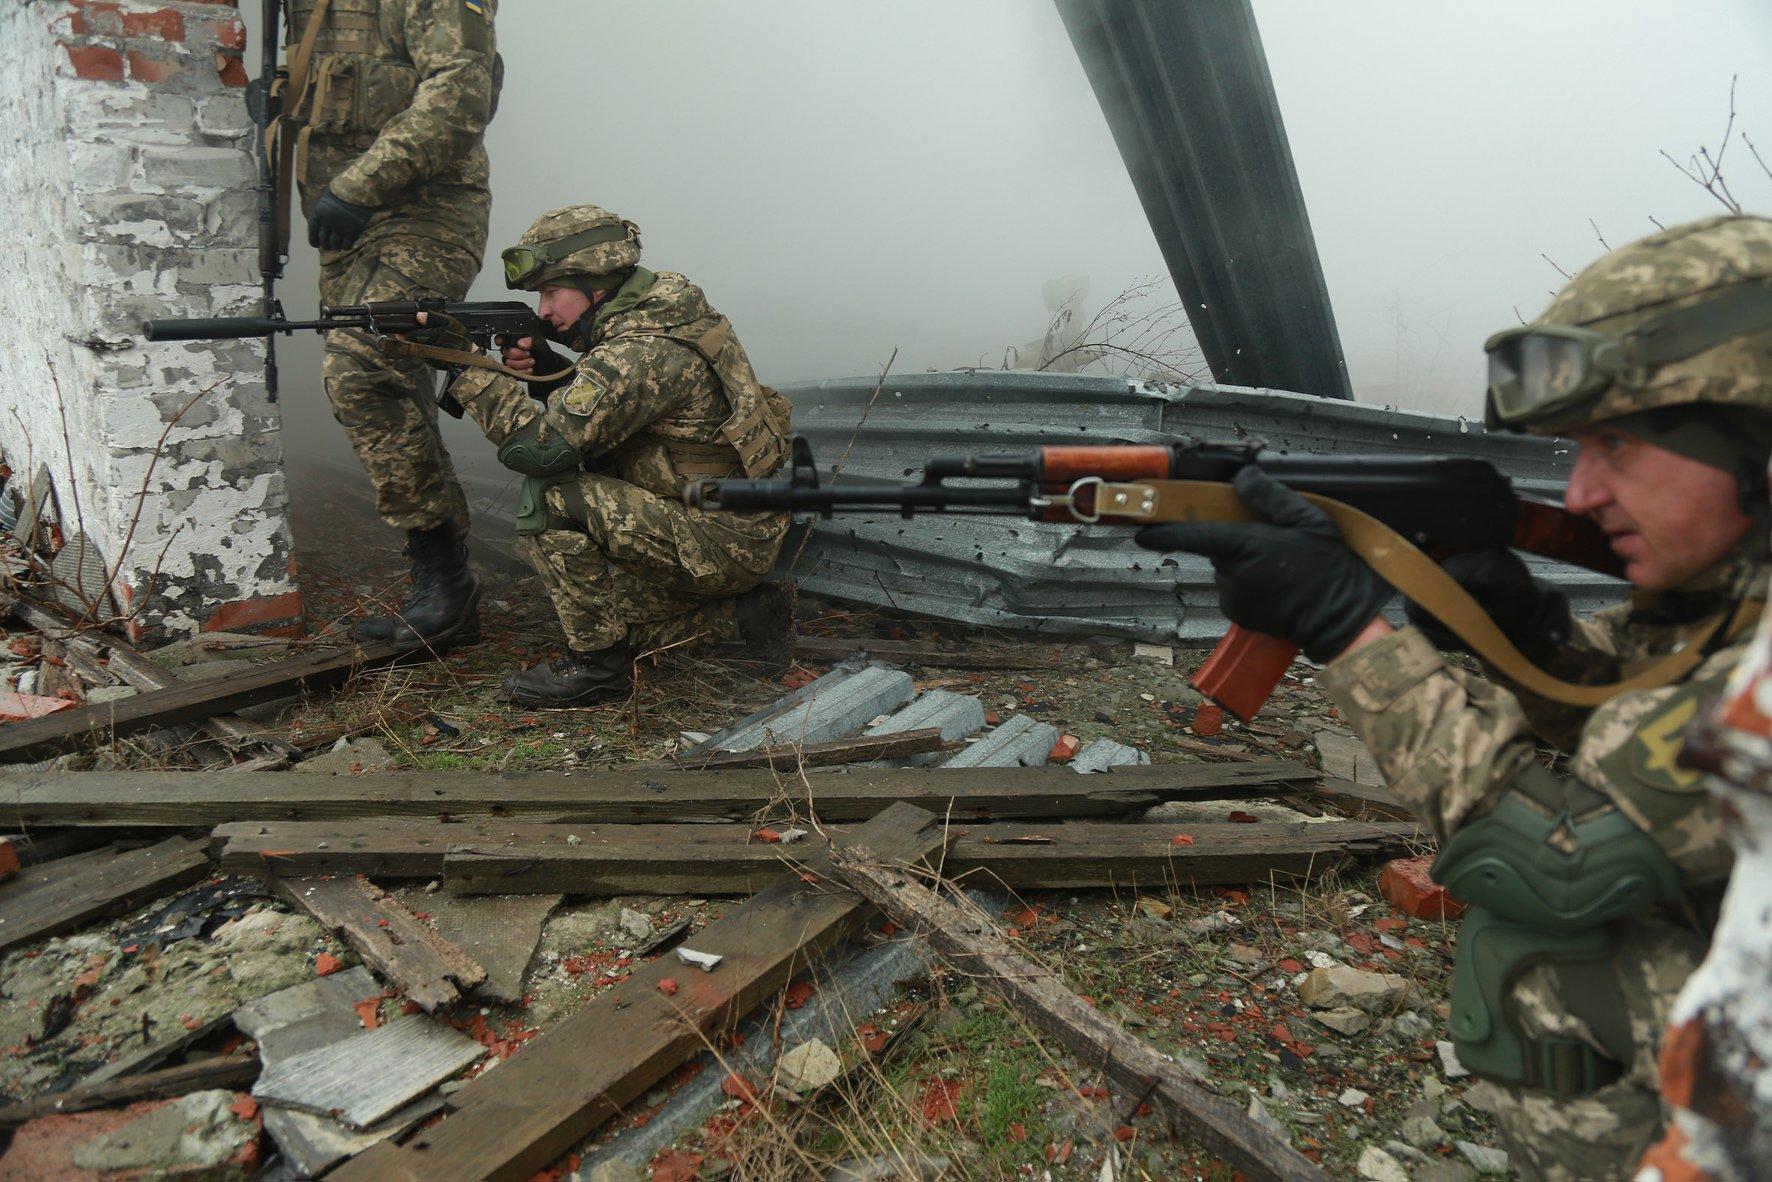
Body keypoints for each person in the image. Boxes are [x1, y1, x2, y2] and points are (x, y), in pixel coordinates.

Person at [1136, 214, 1772, 1180]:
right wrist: (1527, 637)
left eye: (1617, 445)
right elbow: (1643, 715)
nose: (1585, 492)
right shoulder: (1730, 601)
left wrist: (1352, 630)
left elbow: (1561, 866)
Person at [414, 204, 793, 706]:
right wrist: (548, 365)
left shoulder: (639, 351)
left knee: (548, 495)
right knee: (608, 603)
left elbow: (540, 452)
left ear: (597, 284)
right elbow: (616, 414)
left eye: (553, 292)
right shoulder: (666, 313)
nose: (545, 311)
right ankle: (740, 617)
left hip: (717, 542)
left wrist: (468, 371)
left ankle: (598, 668)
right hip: (729, 526)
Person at [283, 0, 501, 647]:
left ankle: (446, 580)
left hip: (425, 212)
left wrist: (358, 186)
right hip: (347, 231)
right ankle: (444, 583)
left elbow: (462, 93)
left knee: (361, 368)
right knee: (387, 386)